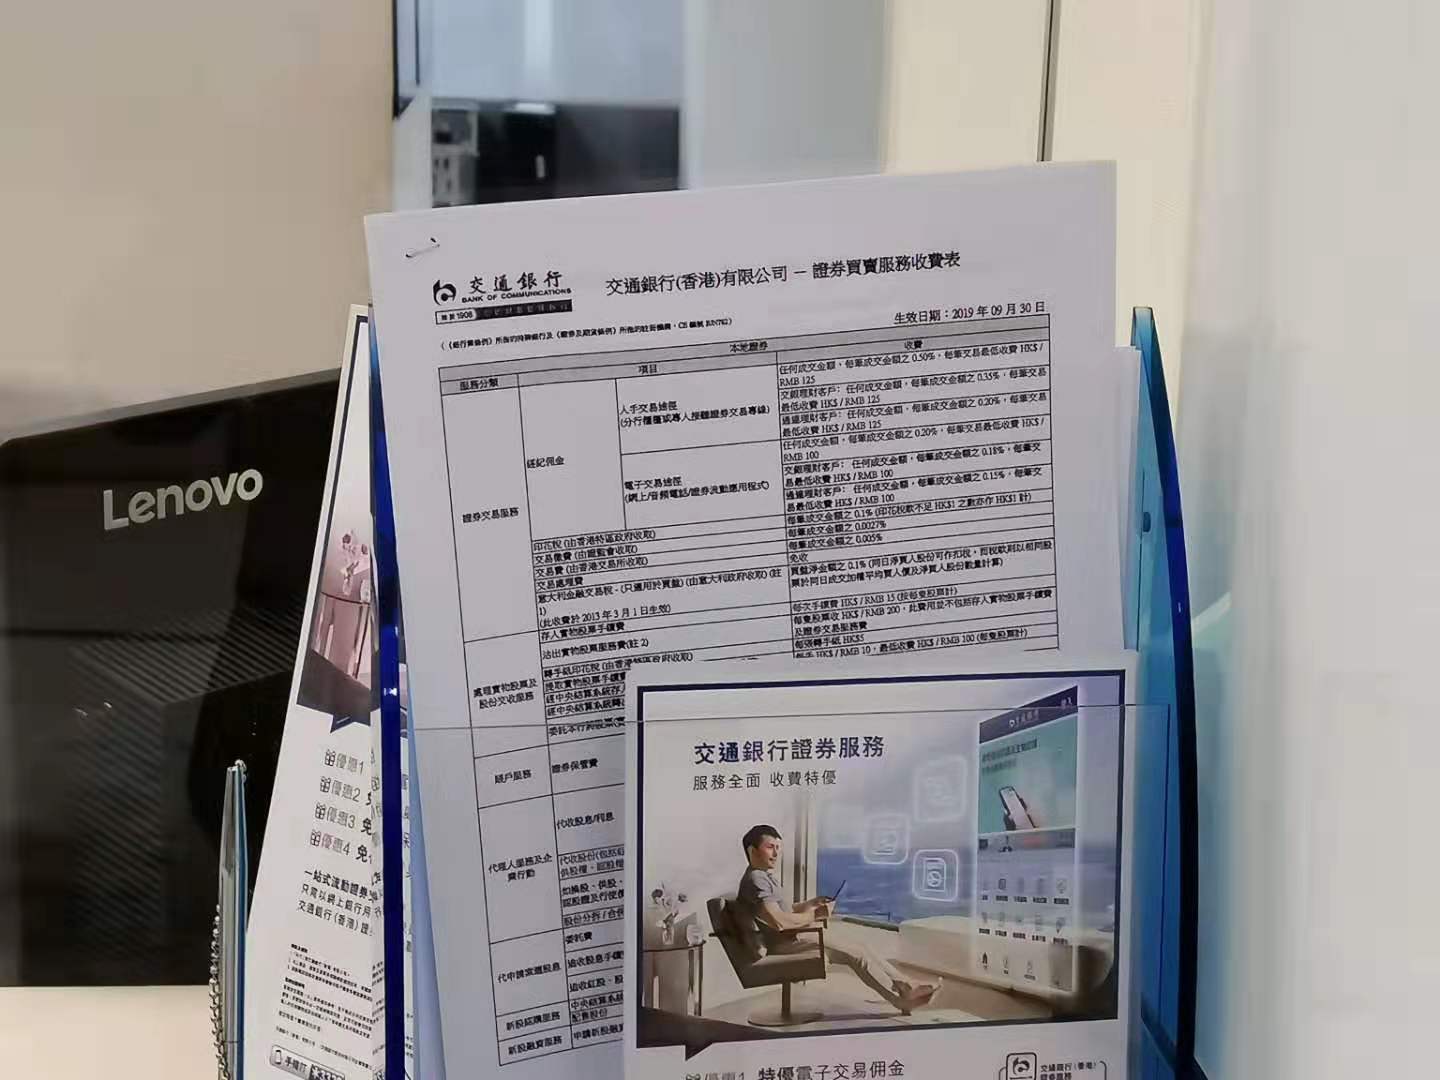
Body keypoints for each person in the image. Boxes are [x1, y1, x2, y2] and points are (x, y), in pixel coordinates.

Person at [734, 824, 939, 1014]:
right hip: (785, 944)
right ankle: (901, 997)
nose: (776, 853)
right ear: (752, 850)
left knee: (860, 947)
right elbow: (779, 922)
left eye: (778, 848)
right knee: (857, 954)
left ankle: (905, 986)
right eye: (770, 847)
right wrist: (815, 915)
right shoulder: (757, 879)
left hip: (792, 938)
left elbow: (784, 911)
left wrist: (810, 903)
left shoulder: (763, 877)